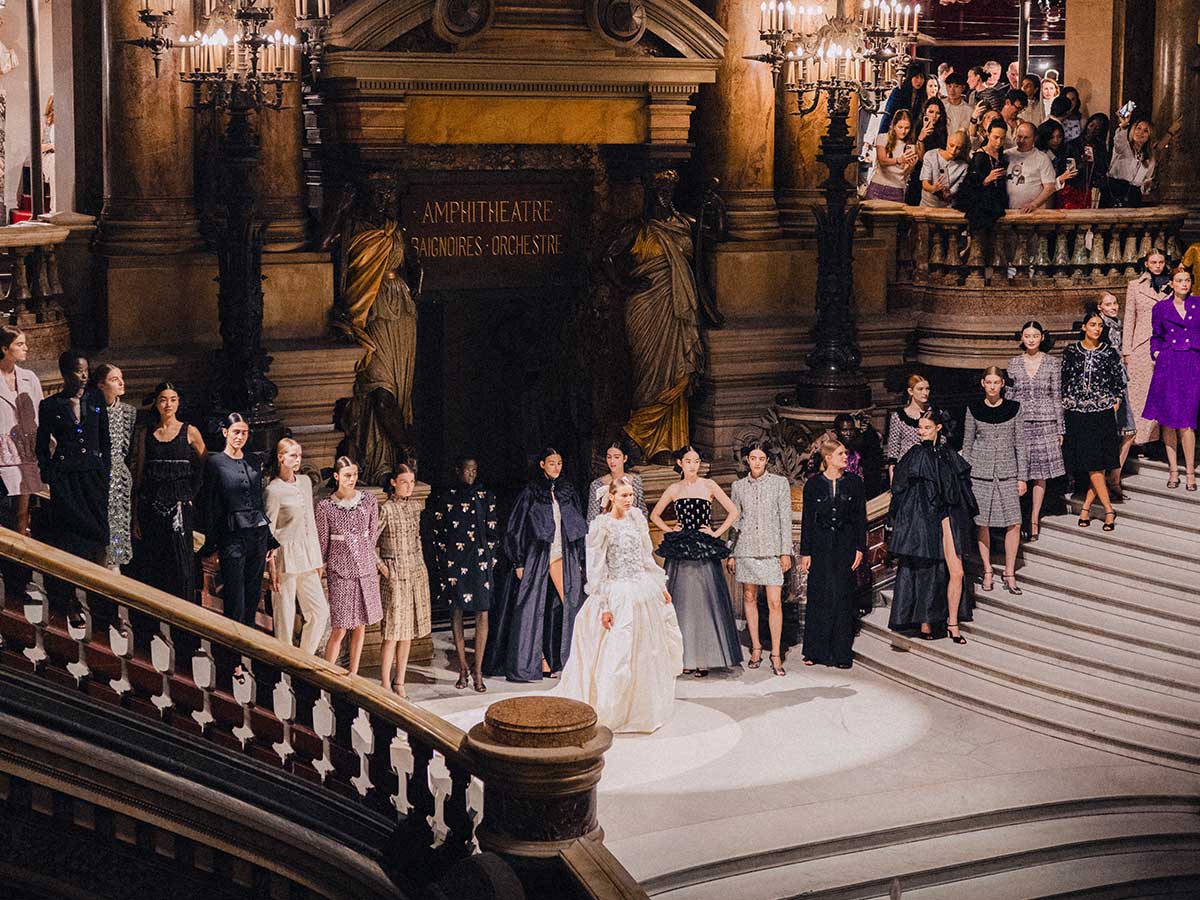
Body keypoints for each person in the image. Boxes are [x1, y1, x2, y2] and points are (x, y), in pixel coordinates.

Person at [555, 478, 684, 733]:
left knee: (648, 651)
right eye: (624, 495)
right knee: (618, 652)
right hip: (616, 591)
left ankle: (642, 707)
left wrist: (661, 585)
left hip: (642, 588)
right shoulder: (601, 525)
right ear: (611, 497)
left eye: (630, 495)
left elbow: (645, 557)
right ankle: (612, 707)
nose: (629, 500)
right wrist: (604, 604)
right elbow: (596, 567)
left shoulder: (636, 518)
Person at [485, 448, 587, 682]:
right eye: (552, 463)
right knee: (532, 609)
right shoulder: (531, 492)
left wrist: (580, 559)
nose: (556, 467)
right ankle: (536, 661)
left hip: (563, 552)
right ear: (542, 464)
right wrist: (518, 560)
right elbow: (516, 527)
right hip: (538, 554)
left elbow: (576, 525)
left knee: (567, 605)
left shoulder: (567, 491)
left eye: (559, 463)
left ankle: (564, 661)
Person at [650, 445, 742, 676]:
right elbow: (654, 515)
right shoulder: (674, 488)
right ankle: (682, 658)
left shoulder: (709, 485)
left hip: (702, 546)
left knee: (703, 603)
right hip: (681, 548)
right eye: (689, 461)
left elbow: (734, 512)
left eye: (697, 461)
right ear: (680, 463)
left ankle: (704, 658)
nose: (694, 465)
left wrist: (715, 532)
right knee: (681, 602)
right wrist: (669, 530)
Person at [887, 411, 976, 643]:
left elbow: (960, 487)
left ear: (938, 428)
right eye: (920, 428)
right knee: (928, 570)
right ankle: (926, 621)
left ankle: (953, 623)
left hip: (948, 516)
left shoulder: (948, 455)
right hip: (924, 519)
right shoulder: (915, 455)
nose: (921, 432)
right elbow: (900, 488)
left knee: (957, 571)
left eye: (926, 427)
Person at [200, 413, 277, 628]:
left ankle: (248, 656)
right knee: (235, 596)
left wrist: (269, 540)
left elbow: (258, 500)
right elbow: (212, 504)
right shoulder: (215, 462)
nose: (240, 436)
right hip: (232, 536)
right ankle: (233, 656)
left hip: (258, 534)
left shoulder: (252, 459)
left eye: (244, 432)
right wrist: (211, 544)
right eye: (236, 432)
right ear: (225, 432)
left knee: (253, 595)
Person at [132, 383, 205, 601]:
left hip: (180, 505)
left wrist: (191, 493)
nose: (168, 404)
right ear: (156, 402)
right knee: (154, 563)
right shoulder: (147, 433)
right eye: (163, 399)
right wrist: (135, 515)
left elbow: (203, 465)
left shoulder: (190, 431)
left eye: (173, 399)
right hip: (151, 505)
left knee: (181, 565)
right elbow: (140, 472)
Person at [35, 352, 110, 565]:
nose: (84, 376)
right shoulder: (50, 405)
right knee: (68, 536)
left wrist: (105, 471)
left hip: (93, 475)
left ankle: (98, 592)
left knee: (98, 535)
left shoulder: (95, 398)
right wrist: (48, 473)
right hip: (66, 477)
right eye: (79, 371)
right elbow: (41, 445)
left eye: (86, 370)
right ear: (66, 373)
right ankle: (67, 593)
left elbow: (105, 439)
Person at [799, 440, 867, 668]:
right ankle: (815, 651)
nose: (845, 457)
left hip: (845, 545)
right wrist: (805, 552)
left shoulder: (855, 483)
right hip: (820, 546)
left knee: (842, 596)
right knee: (819, 595)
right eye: (840, 454)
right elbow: (808, 521)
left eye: (845, 453)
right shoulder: (813, 485)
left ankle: (840, 654)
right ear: (828, 458)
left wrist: (860, 547)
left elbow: (860, 518)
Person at [431, 457, 498, 691]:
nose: (471, 473)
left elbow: (492, 532)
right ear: (458, 470)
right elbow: (438, 532)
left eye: (475, 469)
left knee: (483, 612)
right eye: (467, 469)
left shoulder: (485, 496)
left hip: (479, 560)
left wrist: (490, 560)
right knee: (456, 611)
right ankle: (462, 668)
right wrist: (443, 563)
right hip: (454, 561)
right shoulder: (447, 497)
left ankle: (478, 670)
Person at [962, 367, 1028, 595]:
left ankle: (1009, 572)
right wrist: (965, 477)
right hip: (980, 474)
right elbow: (967, 445)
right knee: (983, 523)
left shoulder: (1014, 409)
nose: (992, 386)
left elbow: (1021, 444)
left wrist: (1022, 477)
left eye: (996, 382)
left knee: (1014, 522)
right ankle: (988, 569)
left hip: (1008, 472)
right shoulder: (974, 409)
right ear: (983, 384)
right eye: (988, 382)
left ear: (1002, 384)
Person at [728, 442, 793, 674]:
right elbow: (735, 521)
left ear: (767, 461)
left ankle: (776, 653)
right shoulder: (738, 486)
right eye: (753, 458)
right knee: (749, 596)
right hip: (746, 548)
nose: (756, 462)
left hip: (772, 550)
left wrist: (786, 551)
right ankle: (756, 647)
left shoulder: (779, 484)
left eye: (761, 458)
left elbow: (785, 519)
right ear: (747, 459)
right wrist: (732, 552)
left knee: (775, 602)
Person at [316, 456, 383, 677]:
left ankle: (353, 673)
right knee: (340, 627)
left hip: (364, 569)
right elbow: (323, 542)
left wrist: (363, 555)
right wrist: (325, 570)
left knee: (361, 625)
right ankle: (327, 675)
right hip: (340, 572)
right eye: (347, 475)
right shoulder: (326, 507)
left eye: (354, 474)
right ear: (337, 477)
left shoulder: (368, 501)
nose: (352, 479)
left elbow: (372, 535)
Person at [1061, 306, 1126, 529]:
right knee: (1092, 464)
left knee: (1097, 465)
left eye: (1100, 325)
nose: (1097, 329)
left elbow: (1119, 380)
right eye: (1093, 325)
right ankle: (1097, 509)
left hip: (1102, 413)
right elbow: (1064, 380)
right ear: (1084, 327)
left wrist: (1116, 398)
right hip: (1077, 414)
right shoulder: (1071, 351)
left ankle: (1104, 510)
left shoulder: (1109, 352)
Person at [265, 438, 328, 656]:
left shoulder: (304, 482)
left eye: (299, 455)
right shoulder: (274, 490)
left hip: (306, 556)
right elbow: (269, 531)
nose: (297, 459)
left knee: (320, 611)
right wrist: (271, 566)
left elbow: (310, 521)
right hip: (284, 557)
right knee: (285, 616)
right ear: (281, 457)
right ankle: (285, 664)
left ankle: (304, 659)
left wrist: (317, 559)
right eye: (293, 455)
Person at [376, 464, 432, 698]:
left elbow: (417, 537)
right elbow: (369, 542)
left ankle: (400, 681)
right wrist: (383, 568)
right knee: (392, 631)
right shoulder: (386, 509)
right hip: (395, 573)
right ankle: (385, 683)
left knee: (407, 631)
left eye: (412, 482)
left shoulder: (415, 508)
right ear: (393, 483)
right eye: (404, 482)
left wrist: (420, 564)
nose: (409, 486)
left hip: (415, 572)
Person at [1142, 268, 1200, 491]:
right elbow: (1155, 336)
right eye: (1179, 280)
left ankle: (1190, 473)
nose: (1184, 284)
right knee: (1167, 419)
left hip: (1192, 364)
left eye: (1187, 280)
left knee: (1186, 421)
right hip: (1168, 364)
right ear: (1172, 284)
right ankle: (1173, 470)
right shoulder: (1161, 307)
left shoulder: (1198, 304)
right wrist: (1157, 353)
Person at [1007, 322, 1064, 542]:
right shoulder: (1013, 363)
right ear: (1022, 338)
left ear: (1042, 338)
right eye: (1027, 336)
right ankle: (1018, 516)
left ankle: (1034, 518)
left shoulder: (1052, 363)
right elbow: (1010, 396)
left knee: (1040, 474)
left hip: (1046, 421)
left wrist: (1060, 428)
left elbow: (1056, 396)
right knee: (1020, 471)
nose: (1031, 339)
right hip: (1020, 421)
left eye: (1035, 335)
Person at [0, 327, 46, 536]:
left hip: (27, 455)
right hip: (3, 456)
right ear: (4, 348)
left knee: (23, 517)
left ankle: (21, 568)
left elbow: (40, 412)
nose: (26, 348)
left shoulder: (29, 378)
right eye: (19, 344)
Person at [1123, 249, 1171, 449]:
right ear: (1147, 264)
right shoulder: (1135, 286)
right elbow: (1129, 319)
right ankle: (1140, 440)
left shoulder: (1172, 285)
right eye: (1154, 262)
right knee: (1140, 392)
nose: (1158, 265)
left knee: (1164, 392)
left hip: (1166, 344)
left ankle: (1160, 440)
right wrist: (1127, 350)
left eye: (1161, 262)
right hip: (1141, 344)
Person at [91, 364, 136, 572]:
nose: (121, 382)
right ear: (101, 385)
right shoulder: (90, 411)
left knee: (117, 534)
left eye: (122, 378)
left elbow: (130, 451)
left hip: (118, 482)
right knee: (98, 536)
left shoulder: (128, 412)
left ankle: (115, 571)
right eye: (114, 379)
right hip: (97, 479)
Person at [1098, 291, 1137, 497]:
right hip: (1109, 386)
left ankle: (1114, 477)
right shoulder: (1101, 327)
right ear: (1100, 307)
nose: (1113, 307)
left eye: (1115, 303)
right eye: (1108, 304)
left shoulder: (1117, 324)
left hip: (1120, 381)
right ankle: (1105, 482)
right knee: (1111, 433)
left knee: (1129, 431)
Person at [955, 119, 1008, 237]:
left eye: (1002, 138)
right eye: (996, 137)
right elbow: (968, 187)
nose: (999, 142)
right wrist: (986, 180)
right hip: (982, 207)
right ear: (987, 135)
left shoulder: (1001, 154)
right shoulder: (980, 156)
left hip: (997, 203)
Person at [885, 373, 934, 481]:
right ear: (910, 391)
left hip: (929, 468)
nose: (925, 393)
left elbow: (941, 441)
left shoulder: (934, 414)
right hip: (906, 469)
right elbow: (893, 449)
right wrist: (893, 479)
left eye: (927, 389)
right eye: (920, 389)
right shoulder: (898, 417)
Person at [1104, 111, 1156, 208]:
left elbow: (1146, 181)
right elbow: (1118, 141)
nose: (1141, 133)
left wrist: (1147, 186)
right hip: (1115, 189)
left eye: (1146, 131)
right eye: (1138, 128)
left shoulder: (1149, 158)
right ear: (1133, 130)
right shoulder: (1125, 147)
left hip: (1133, 195)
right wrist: (1124, 126)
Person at [586, 441, 646, 522]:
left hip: (631, 530)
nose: (612, 461)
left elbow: (642, 511)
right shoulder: (597, 485)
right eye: (609, 457)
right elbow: (592, 518)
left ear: (625, 458)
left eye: (616, 457)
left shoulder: (635, 481)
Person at [1005, 122, 1058, 212]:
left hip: (1033, 211)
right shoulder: (1007, 155)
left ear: (1034, 138)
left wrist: (1034, 204)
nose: (1021, 141)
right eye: (1019, 136)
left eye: (1026, 138)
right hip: (1009, 210)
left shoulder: (1042, 158)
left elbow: (1049, 187)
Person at [1060, 113, 1110, 209]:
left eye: (1098, 128)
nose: (1092, 130)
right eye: (1091, 125)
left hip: (1091, 190)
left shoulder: (1100, 147)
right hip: (1073, 189)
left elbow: (1103, 168)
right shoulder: (1072, 145)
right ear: (1087, 124)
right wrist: (1080, 164)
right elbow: (1064, 168)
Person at [867, 110, 917, 202]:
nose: (903, 131)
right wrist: (898, 160)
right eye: (900, 127)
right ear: (894, 126)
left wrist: (911, 166)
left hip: (896, 189)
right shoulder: (882, 138)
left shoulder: (910, 146)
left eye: (907, 128)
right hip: (878, 186)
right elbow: (882, 161)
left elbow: (904, 173)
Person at [906, 98, 949, 205]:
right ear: (925, 111)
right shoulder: (917, 127)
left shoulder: (943, 129)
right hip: (919, 171)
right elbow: (920, 158)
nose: (934, 116)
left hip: (936, 173)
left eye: (937, 113)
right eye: (931, 112)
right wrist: (921, 138)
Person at [919, 129, 969, 208]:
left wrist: (948, 194)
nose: (953, 151)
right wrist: (934, 188)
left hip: (947, 208)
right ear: (947, 142)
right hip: (927, 205)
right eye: (951, 145)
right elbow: (925, 184)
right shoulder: (931, 155)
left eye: (958, 148)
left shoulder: (963, 166)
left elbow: (955, 190)